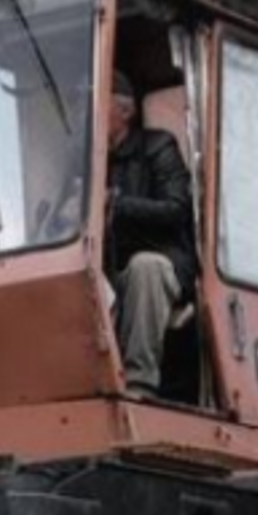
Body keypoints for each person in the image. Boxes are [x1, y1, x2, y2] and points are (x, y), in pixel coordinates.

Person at [102, 70, 197, 396]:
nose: (91, 113)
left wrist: (118, 204)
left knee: (146, 267)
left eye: (100, 103)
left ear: (126, 112)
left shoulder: (158, 147)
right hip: (111, 270)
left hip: (165, 262)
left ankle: (139, 381)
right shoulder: (91, 163)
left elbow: (176, 209)